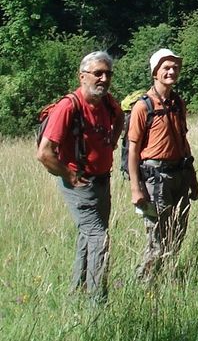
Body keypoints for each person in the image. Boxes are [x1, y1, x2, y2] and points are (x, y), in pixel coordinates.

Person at [36, 52, 123, 302]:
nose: (104, 79)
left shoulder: (107, 102)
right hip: (79, 183)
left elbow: (120, 119)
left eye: (108, 74)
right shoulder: (68, 106)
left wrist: (112, 142)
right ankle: (98, 301)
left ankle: (76, 294)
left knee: (89, 237)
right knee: (99, 237)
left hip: (102, 179)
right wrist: (70, 176)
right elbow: (44, 153)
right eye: (98, 73)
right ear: (82, 76)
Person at [126, 48, 198, 282]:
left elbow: (183, 142)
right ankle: (144, 283)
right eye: (166, 67)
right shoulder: (143, 107)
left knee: (178, 232)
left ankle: (166, 279)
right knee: (157, 235)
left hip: (179, 173)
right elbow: (133, 150)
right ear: (155, 72)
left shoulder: (178, 103)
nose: (172, 71)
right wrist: (136, 188)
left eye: (175, 67)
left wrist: (193, 180)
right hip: (155, 178)